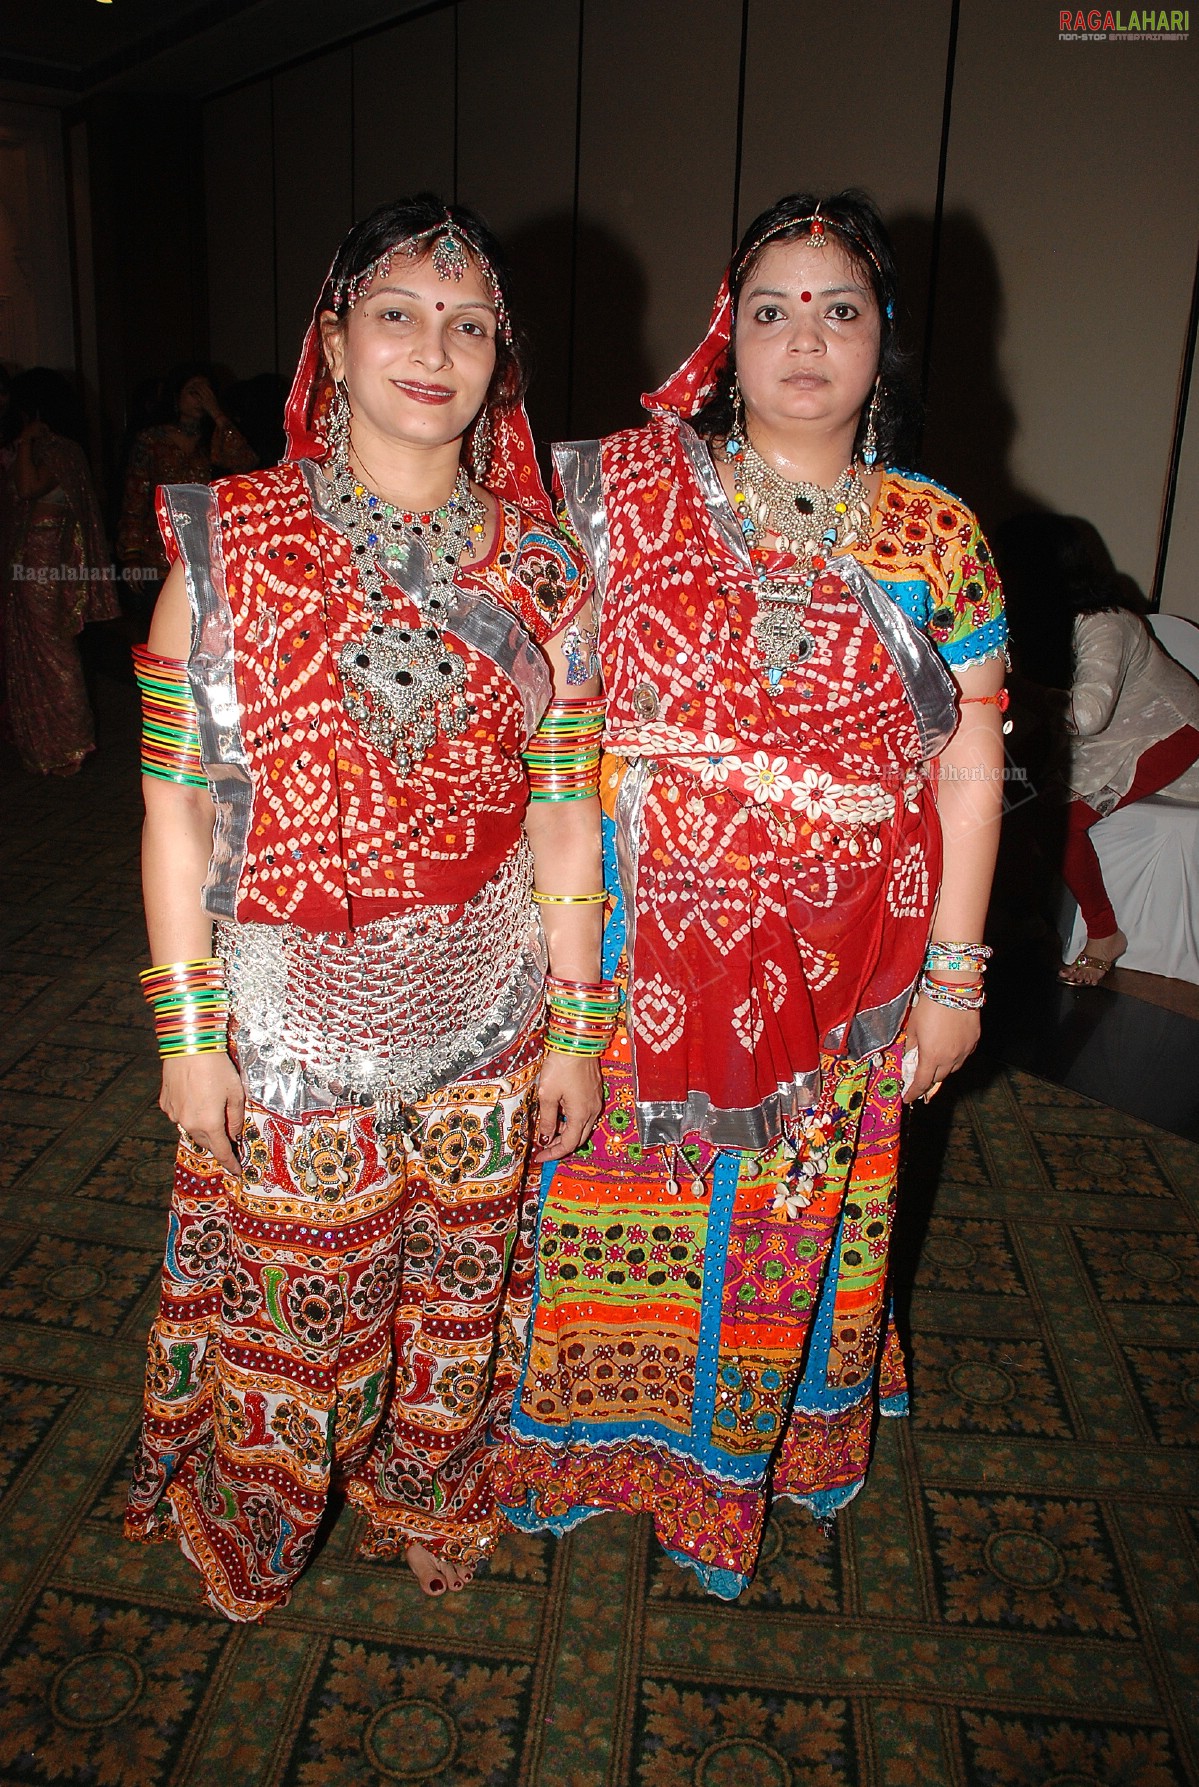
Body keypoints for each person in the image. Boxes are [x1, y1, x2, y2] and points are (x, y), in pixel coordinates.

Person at [494, 191, 1008, 1597]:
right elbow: (534, 693)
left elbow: (967, 769)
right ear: (726, 335)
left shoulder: (934, 532)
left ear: (880, 339)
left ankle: (745, 1454)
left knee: (783, 1218)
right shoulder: (624, 494)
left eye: (837, 307)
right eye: (770, 307)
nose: (803, 337)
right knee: (612, 1192)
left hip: (844, 970)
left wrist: (955, 978)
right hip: (640, 942)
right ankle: (591, 1442)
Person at [123, 195, 608, 1620]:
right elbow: (175, 807)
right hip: (288, 1007)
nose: (432, 346)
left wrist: (574, 1027)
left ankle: (430, 1482)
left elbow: (563, 810)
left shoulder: (543, 569)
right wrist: (187, 1033)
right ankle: (259, 1508)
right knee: (301, 1301)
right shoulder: (226, 545)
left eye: (469, 323)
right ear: (329, 344)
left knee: (459, 1287)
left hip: (486, 994)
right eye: (396, 312)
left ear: (498, 358)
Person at [997, 511, 1199, 985]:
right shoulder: (1047, 626)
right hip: (1108, 739)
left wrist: (1023, 692)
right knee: (1002, 792)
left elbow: (1087, 715)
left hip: (1171, 734)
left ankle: (1105, 932)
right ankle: (1023, 915)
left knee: (1059, 816)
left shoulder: (1105, 623)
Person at [2, 368, 118, 775]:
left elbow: (28, 488)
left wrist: (28, 442)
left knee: (55, 654)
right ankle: (42, 743)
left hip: (48, 569)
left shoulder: (60, 452)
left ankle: (69, 744)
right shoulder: (38, 449)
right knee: (29, 652)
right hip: (25, 564)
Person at [116, 364, 258, 589]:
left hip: (206, 548)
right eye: (194, 392)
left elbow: (246, 464)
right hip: (159, 548)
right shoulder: (152, 440)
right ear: (176, 395)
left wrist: (218, 414)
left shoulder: (215, 438)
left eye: (207, 393)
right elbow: (135, 497)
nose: (201, 399)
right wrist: (132, 554)